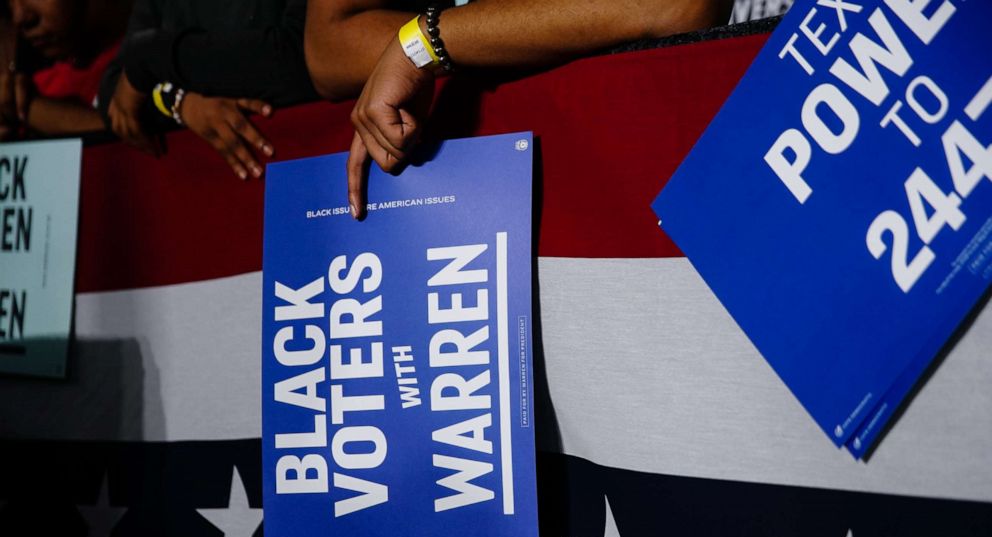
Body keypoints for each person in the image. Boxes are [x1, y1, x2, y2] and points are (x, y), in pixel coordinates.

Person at [303, 0, 735, 217]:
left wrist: (423, 44)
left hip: (640, 181)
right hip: (472, 192)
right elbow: (330, 49)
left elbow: (677, 6)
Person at [100, 0, 316, 179]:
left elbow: (303, 60)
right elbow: (115, 99)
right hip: (207, 183)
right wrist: (180, 101)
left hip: (306, 161)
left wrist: (154, 58)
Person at [0, 0, 130, 140]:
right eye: (8, 2)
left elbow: (140, 141)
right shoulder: (39, 87)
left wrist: (30, 110)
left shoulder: (147, 67)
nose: (19, 17)